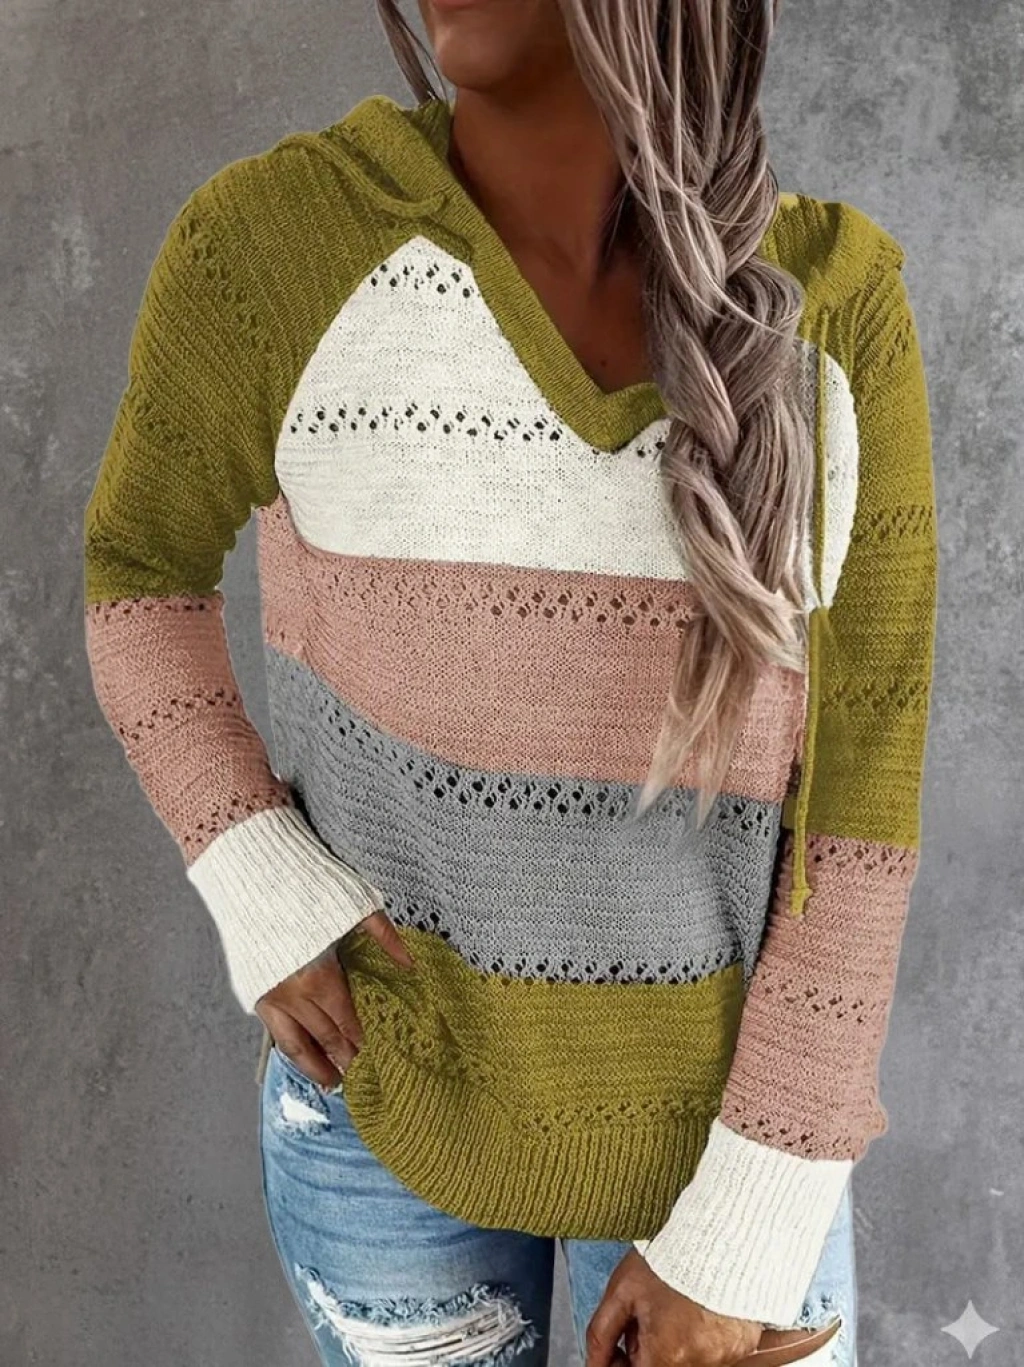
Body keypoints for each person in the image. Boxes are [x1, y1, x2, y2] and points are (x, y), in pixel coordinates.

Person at [81, 1, 939, 1363]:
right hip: (384, 1109)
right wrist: (253, 869)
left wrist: (747, 1230)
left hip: (730, 1161)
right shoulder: (278, 245)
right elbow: (137, 576)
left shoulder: (834, 311)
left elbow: (864, 802)